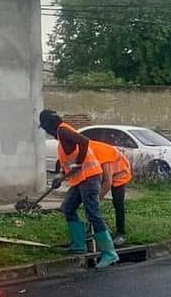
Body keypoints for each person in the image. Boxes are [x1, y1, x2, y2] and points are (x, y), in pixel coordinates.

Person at [38, 110, 119, 269]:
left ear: (49, 125)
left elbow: (84, 141)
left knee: (93, 213)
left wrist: (80, 162)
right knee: (68, 208)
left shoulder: (63, 130)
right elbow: (68, 160)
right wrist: (60, 175)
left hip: (89, 177)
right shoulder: (61, 135)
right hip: (79, 179)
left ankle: (110, 253)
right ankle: (79, 245)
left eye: (45, 127)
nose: (46, 131)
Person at [95, 144, 133, 246]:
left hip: (120, 173)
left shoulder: (102, 156)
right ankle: (99, 229)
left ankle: (121, 233)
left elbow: (107, 182)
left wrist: (97, 199)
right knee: (92, 200)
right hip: (103, 172)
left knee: (118, 202)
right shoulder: (88, 150)